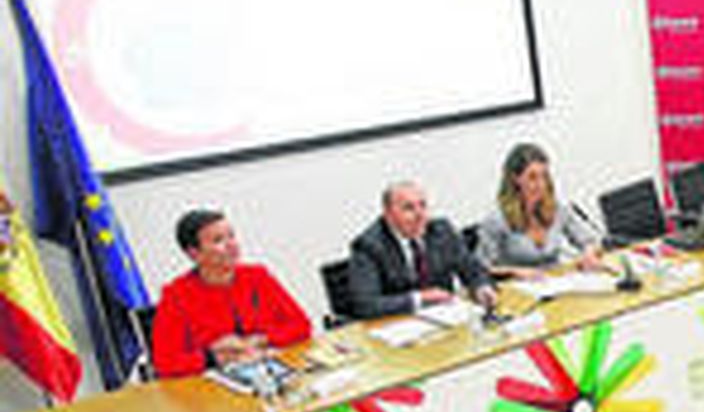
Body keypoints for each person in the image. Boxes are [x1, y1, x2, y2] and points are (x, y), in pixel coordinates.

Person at [150, 209, 311, 378]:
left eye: (231, 236)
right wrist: (213, 357)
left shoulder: (257, 276)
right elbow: (165, 363)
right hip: (213, 390)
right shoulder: (176, 296)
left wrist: (261, 339)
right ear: (194, 253)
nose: (231, 245)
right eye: (218, 240)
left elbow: (302, 326)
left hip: (272, 371)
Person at [347, 180, 495, 319]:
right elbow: (365, 304)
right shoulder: (368, 246)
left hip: (446, 319)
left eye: (423, 205)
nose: (420, 215)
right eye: (409, 208)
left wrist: (481, 287)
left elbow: (472, 268)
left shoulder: (441, 230)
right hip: (399, 326)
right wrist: (420, 298)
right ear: (388, 214)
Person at [474, 142, 603, 277]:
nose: (540, 184)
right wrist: (515, 272)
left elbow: (590, 240)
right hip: (516, 291)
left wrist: (588, 254)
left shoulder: (557, 209)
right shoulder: (497, 220)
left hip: (554, 284)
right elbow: (481, 268)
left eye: (544, 176)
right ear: (515, 179)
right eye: (532, 177)